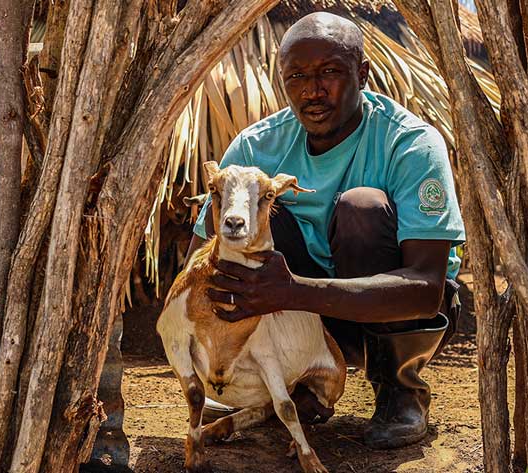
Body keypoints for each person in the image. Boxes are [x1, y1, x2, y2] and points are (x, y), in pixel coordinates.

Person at [187, 11, 465, 450]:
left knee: (362, 209)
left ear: (363, 74)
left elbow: (427, 288)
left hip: (394, 310)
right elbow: (203, 258)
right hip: (299, 316)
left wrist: (293, 291)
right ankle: (290, 384)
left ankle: (399, 390)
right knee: (261, 211)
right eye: (297, 76)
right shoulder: (256, 147)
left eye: (330, 73)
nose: (312, 91)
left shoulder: (410, 142)